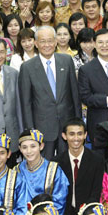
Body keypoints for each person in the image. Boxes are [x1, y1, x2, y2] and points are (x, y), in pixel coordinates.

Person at [19, 26, 81, 159]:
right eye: (42, 41)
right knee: (43, 167)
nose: (47, 45)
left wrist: (78, 123)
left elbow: (75, 95)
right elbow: (26, 103)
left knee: (68, 164)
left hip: (67, 126)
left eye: (50, 41)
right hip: (42, 128)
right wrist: (31, 132)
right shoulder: (27, 67)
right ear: (36, 43)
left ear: (55, 42)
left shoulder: (66, 60)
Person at [55, 119, 104, 215]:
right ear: (64, 136)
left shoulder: (97, 160)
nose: (76, 138)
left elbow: (96, 193)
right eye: (71, 134)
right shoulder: (56, 162)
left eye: (80, 133)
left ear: (85, 135)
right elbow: (57, 198)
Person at [16, 129, 69, 215]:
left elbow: (60, 204)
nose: (29, 151)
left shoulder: (54, 170)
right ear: (20, 149)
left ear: (41, 146)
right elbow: (16, 205)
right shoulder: (16, 171)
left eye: (33, 146)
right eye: (24, 147)